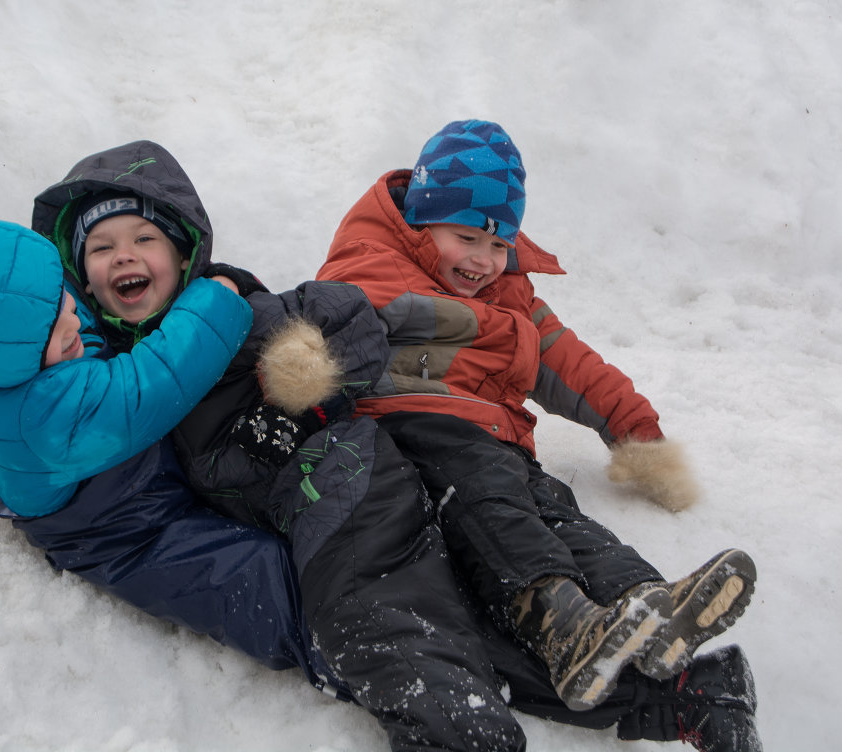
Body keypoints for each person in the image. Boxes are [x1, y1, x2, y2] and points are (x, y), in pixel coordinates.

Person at [33, 140, 762, 751]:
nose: (123, 256)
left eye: (143, 239)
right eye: (102, 246)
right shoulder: (108, 369)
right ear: (80, 271)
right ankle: (685, 694)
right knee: (458, 595)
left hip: (345, 471)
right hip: (355, 477)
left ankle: (536, 676)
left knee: (390, 603)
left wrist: (303, 374)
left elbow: (343, 314)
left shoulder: (228, 302)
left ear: (184, 248)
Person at [315, 119, 762, 745]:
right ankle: (559, 619)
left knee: (560, 515)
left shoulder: (510, 291)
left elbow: (569, 361)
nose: (482, 260)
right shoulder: (370, 266)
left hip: (499, 444)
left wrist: (637, 429)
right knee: (497, 515)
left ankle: (644, 602)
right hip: (421, 435)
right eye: (465, 237)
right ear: (421, 221)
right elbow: (322, 325)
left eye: (498, 245)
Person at [0, 211, 343, 696]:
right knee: (257, 584)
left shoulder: (4, 347)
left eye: (65, 299)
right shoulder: (37, 418)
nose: (73, 315)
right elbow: (152, 381)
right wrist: (216, 297)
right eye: (59, 325)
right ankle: (350, 654)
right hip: (131, 534)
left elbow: (58, 314)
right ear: (8, 352)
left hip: (140, 477)